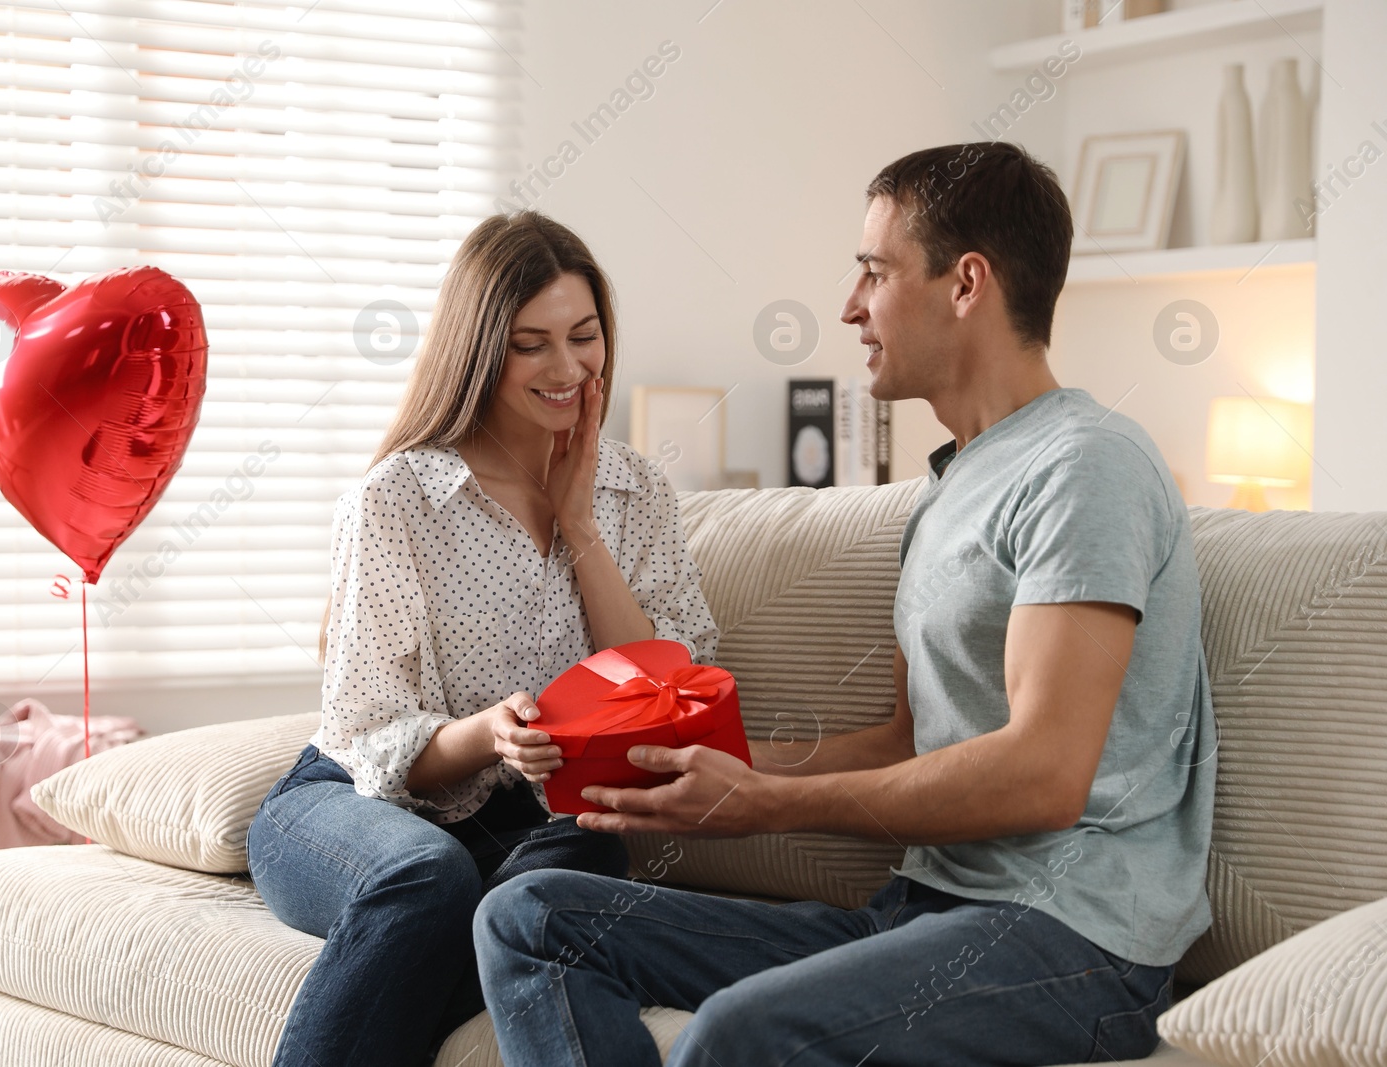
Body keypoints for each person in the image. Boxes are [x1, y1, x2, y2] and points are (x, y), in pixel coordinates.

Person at [473, 141, 1217, 1067]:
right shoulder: (948, 491)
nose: (850, 307)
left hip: (1075, 940)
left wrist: (765, 807)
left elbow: (1046, 773)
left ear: (967, 282)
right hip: (922, 912)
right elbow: (910, 743)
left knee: (740, 1034)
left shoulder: (1086, 464)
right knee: (530, 915)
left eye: (874, 271)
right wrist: (705, 766)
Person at [246, 210, 720, 1067]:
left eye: (584, 336)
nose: (568, 368)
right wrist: (487, 734)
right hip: (358, 800)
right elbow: (364, 732)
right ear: (479, 351)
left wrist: (579, 527)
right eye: (531, 344)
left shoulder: (633, 490)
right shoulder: (398, 499)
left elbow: (665, 693)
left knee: (552, 893)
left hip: (535, 819)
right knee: (430, 880)